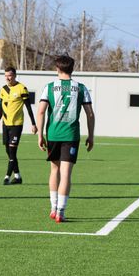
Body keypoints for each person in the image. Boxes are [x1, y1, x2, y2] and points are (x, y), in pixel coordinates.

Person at [37, 55, 95, 223]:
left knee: (54, 171)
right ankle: (61, 212)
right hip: (71, 135)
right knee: (66, 174)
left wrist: (40, 135)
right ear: (72, 69)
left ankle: (53, 207)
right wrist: (91, 136)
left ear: (57, 68)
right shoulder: (81, 88)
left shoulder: (49, 87)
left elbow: (41, 111)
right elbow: (90, 114)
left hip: (53, 134)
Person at [0, 67, 37, 185]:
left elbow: (28, 107)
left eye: (9, 75)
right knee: (9, 152)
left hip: (16, 125)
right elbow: (1, 108)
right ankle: (17, 176)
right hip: (5, 124)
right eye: (6, 75)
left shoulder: (22, 88)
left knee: (12, 151)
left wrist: (33, 123)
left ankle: (7, 177)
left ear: (15, 75)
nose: (7, 78)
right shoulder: (3, 89)